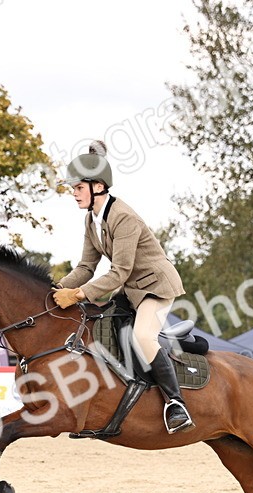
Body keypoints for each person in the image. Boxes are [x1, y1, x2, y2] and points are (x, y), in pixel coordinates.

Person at [52, 141, 194, 434]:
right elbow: (85, 268)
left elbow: (119, 272)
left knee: (142, 335)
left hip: (156, 286)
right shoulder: (91, 221)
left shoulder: (123, 217)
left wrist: (78, 294)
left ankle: (176, 404)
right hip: (131, 290)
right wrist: (55, 288)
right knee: (101, 326)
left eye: (78, 188)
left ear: (98, 186)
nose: (73, 194)